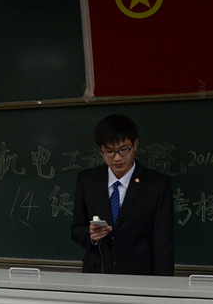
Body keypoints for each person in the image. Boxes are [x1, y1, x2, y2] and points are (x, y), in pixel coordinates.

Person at [70, 114, 175, 275]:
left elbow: (163, 242)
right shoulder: (88, 181)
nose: (117, 158)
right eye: (109, 151)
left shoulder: (156, 185)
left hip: (139, 276)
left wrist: (162, 285)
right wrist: (91, 235)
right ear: (100, 150)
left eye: (123, 150)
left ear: (135, 145)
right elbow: (77, 228)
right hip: (97, 273)